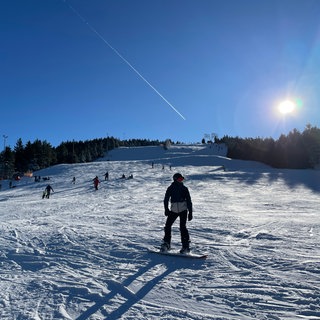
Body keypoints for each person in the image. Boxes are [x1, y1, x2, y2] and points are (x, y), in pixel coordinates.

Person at [162, 173, 193, 254]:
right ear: (175, 179)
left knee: (182, 227)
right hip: (174, 210)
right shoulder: (170, 188)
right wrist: (166, 209)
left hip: (183, 210)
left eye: (182, 179)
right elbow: (166, 199)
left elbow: (189, 201)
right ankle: (166, 243)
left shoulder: (184, 188)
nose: (181, 181)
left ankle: (185, 246)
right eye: (179, 179)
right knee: (168, 226)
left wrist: (190, 212)